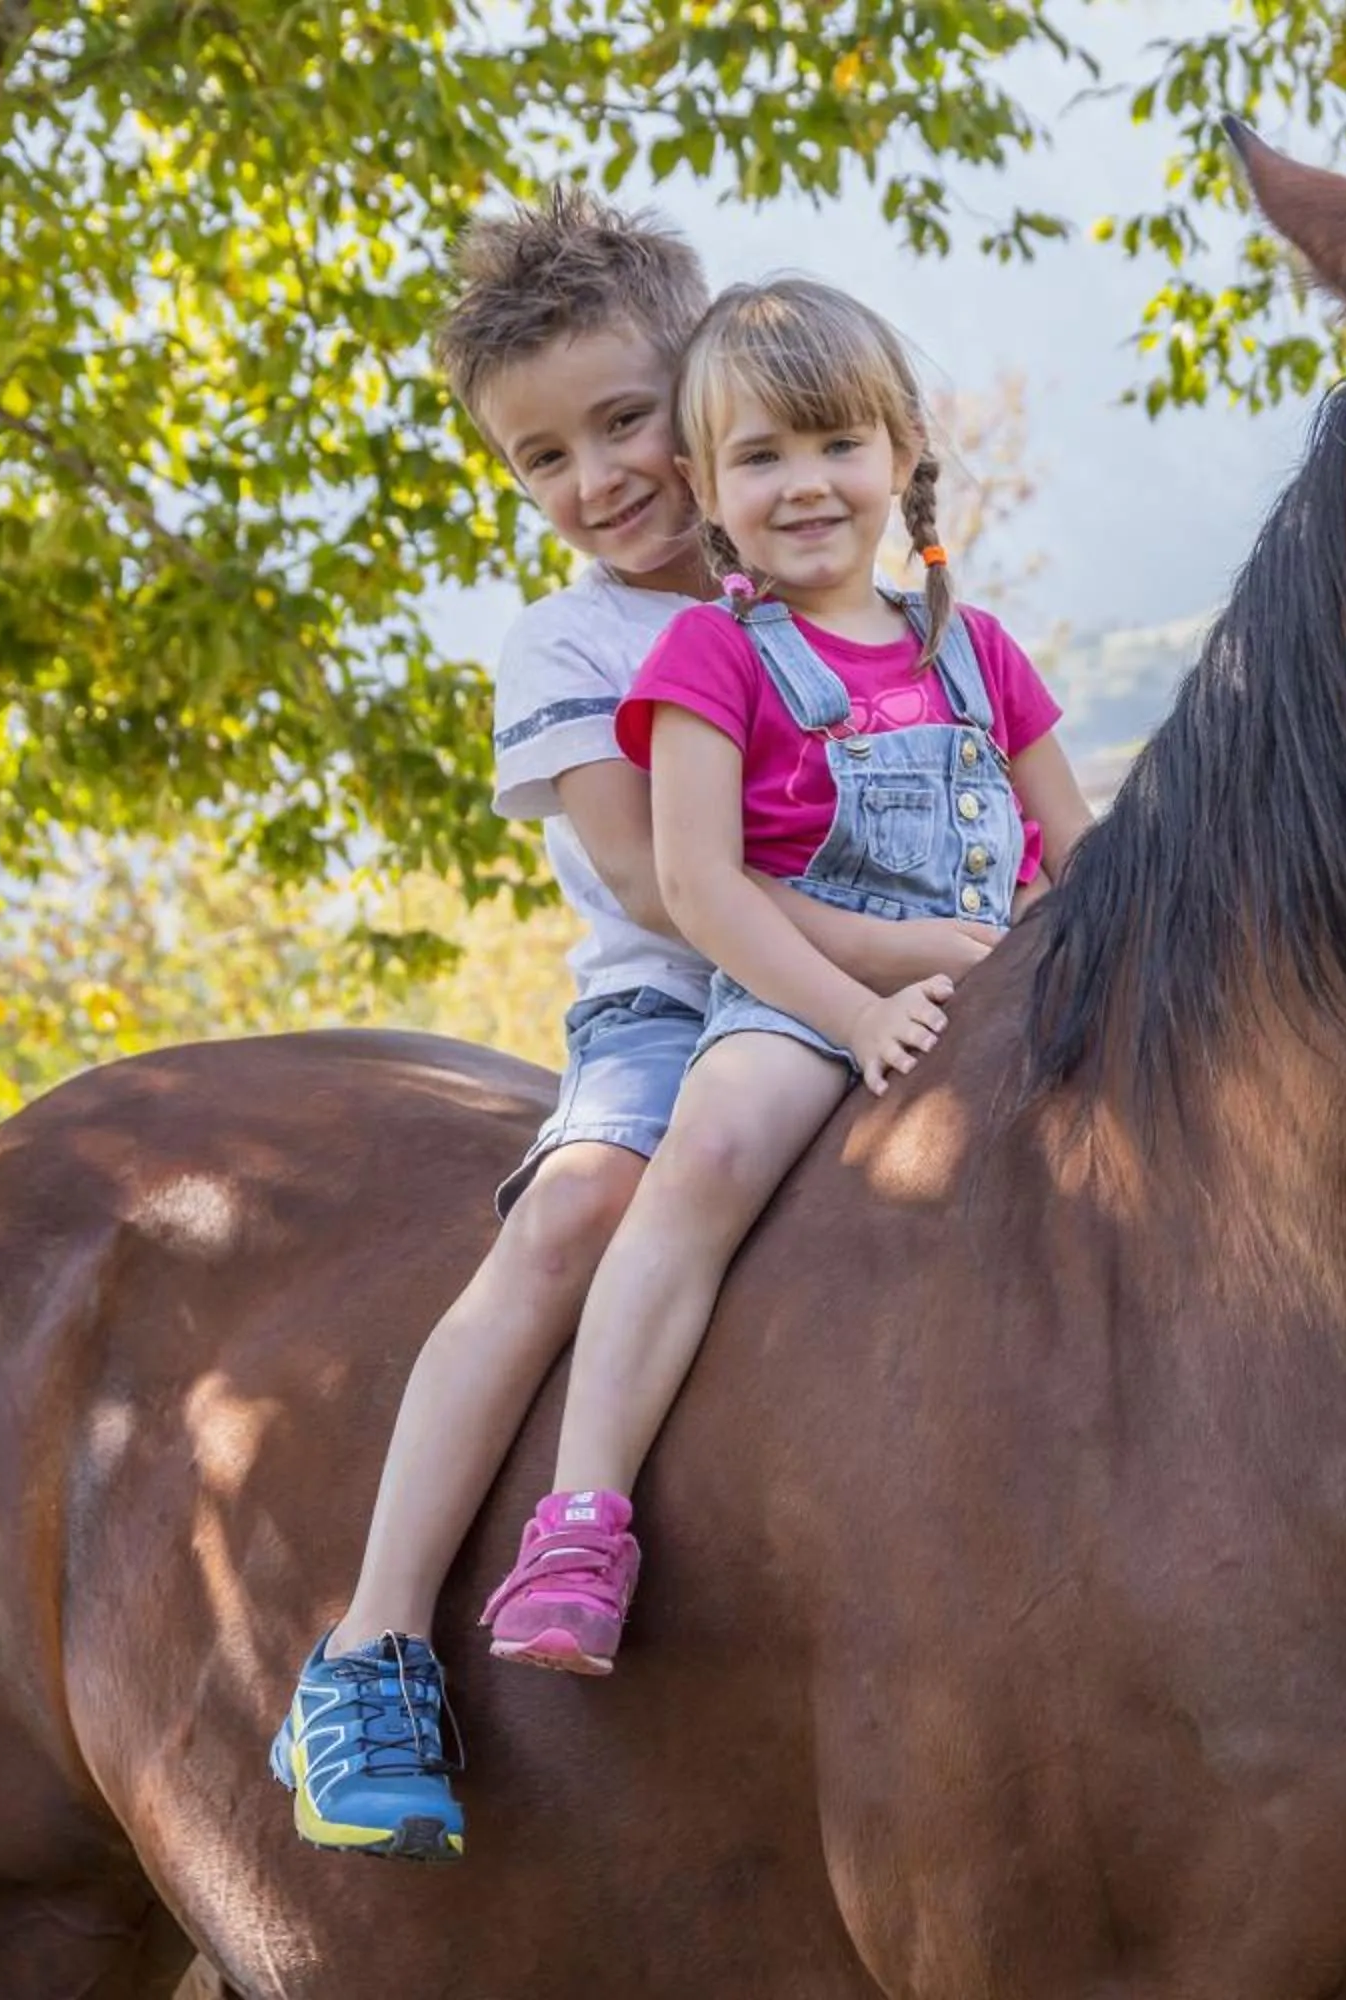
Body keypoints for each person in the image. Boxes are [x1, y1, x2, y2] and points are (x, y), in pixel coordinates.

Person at [272, 204, 992, 1863]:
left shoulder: (839, 588)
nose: (596, 480)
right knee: (589, 1207)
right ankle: (374, 1642)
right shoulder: (578, 641)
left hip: (893, 970)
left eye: (622, 423)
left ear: (706, 390)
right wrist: (935, 954)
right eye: (540, 459)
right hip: (680, 996)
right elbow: (662, 887)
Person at [476, 276, 1094, 1678]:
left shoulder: (975, 647)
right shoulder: (710, 653)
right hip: (792, 993)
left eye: (836, 447)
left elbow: (1073, 848)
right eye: (761, 458)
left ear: (902, 459)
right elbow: (697, 886)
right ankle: (582, 1516)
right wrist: (855, 1011)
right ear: (706, 485)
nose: (805, 486)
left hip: (997, 973)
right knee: (710, 1156)